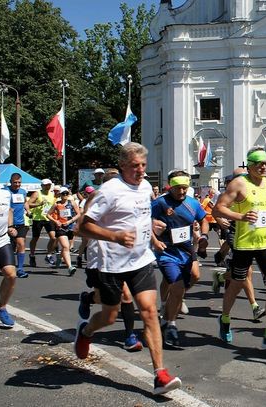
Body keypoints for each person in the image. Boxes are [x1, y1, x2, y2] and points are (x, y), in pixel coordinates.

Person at [75, 142, 181, 394]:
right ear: (122, 165)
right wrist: (115, 237)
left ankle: (160, 374)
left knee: (149, 312)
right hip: (109, 263)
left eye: (143, 165)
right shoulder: (109, 191)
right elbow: (82, 227)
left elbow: (138, 215)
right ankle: (87, 330)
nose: (141, 170)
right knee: (110, 316)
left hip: (141, 260)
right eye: (135, 166)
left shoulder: (145, 186)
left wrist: (153, 228)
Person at [212, 147, 266, 350]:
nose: (264, 167)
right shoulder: (239, 183)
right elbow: (217, 208)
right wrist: (241, 217)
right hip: (244, 243)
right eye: (259, 163)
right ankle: (225, 318)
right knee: (235, 286)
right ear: (250, 165)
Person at [76, 168, 143, 352]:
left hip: (122, 254)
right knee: (103, 299)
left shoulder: (129, 197)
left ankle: (130, 336)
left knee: (126, 296)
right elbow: (81, 226)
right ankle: (88, 298)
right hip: (99, 255)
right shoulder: (96, 197)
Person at [151, 170, 209, 348]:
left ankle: (169, 309)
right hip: (167, 251)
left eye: (185, 188)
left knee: (193, 278)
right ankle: (171, 325)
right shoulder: (160, 202)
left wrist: (204, 236)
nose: (182, 192)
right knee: (177, 286)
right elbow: (144, 222)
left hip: (186, 250)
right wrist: (154, 240)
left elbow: (204, 219)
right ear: (170, 186)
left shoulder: (192, 203)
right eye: (178, 188)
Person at [212, 168, 266, 321]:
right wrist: (219, 220)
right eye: (242, 177)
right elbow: (216, 210)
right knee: (247, 272)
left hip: (251, 236)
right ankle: (255, 306)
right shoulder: (230, 194)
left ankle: (221, 277)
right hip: (236, 236)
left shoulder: (254, 191)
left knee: (240, 274)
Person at [0, 165, 19, 328]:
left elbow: (8, 210)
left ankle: (1, 308)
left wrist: (10, 226)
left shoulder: (5, 193)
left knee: (11, 274)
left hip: (1, 240)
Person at [47, 186, 80, 276]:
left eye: (66, 193)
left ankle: (59, 257)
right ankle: (70, 267)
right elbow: (48, 215)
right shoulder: (56, 204)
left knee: (67, 247)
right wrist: (56, 221)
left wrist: (70, 221)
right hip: (60, 228)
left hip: (70, 227)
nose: (65, 195)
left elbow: (78, 214)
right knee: (65, 246)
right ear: (60, 195)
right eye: (63, 194)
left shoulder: (72, 203)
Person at [4, 173, 30, 278]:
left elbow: (25, 202)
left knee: (21, 244)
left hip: (20, 222)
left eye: (19, 182)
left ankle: (20, 268)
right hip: (7, 223)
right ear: (11, 182)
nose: (17, 184)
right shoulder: (5, 191)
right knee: (8, 247)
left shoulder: (23, 192)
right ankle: (6, 266)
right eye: (15, 182)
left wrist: (28, 210)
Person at [27, 178, 57, 267]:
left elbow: (54, 206)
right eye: (46, 185)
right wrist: (39, 204)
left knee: (54, 238)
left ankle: (48, 255)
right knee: (35, 238)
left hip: (48, 218)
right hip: (38, 218)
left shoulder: (52, 195)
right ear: (42, 186)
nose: (47, 187)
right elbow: (28, 204)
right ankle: (32, 255)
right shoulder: (37, 193)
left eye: (49, 185)